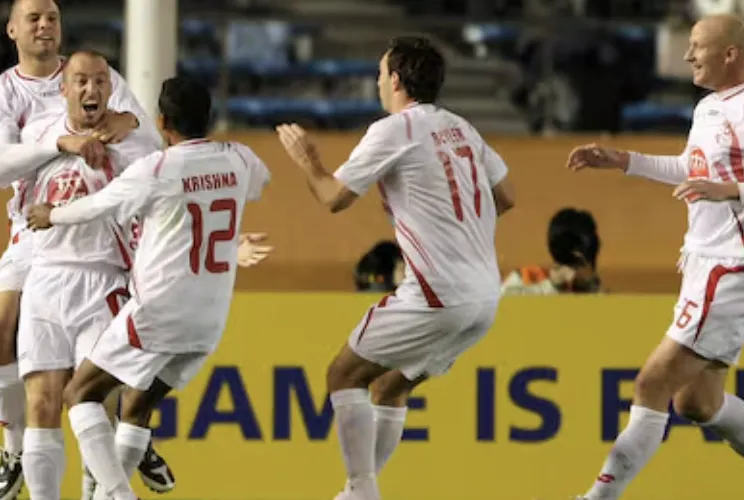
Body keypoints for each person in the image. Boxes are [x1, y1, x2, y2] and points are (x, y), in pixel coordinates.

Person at [564, 14, 744, 500]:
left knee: (651, 384)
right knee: (698, 403)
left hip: (735, 270)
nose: (688, 56)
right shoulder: (708, 108)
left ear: (730, 53)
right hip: (706, 266)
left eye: (697, 46)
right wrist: (624, 161)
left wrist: (732, 190)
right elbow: (693, 168)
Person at [275, 35, 516, 500]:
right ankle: (358, 492)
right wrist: (456, 230)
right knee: (389, 387)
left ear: (398, 80)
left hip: (436, 294)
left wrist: (308, 161)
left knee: (343, 376)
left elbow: (333, 198)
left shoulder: (394, 130)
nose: (378, 83)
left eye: (381, 74)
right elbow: (505, 197)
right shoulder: (462, 128)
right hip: (485, 296)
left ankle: (362, 491)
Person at [24, 75, 271, 500]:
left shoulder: (157, 169)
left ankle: (119, 494)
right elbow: (259, 184)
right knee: (136, 407)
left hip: (159, 311)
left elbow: (96, 207)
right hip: (209, 320)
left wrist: (52, 215)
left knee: (80, 393)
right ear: (209, 118)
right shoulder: (239, 158)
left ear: (161, 122)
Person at [0, 1, 172, 498]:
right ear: (12, 30)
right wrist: (60, 144)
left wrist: (131, 123)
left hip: (102, 259)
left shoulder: (102, 79)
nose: (44, 25)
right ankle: (13, 448)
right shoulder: (15, 99)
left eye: (52, 17)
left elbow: (151, 145)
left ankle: (135, 433)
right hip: (35, 239)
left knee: (93, 389)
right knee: (19, 358)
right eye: (34, 18)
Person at [501, 207, 602, 295]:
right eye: (569, 263)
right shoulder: (525, 279)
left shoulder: (596, 294)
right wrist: (553, 286)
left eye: (578, 264)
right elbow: (500, 301)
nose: (572, 273)